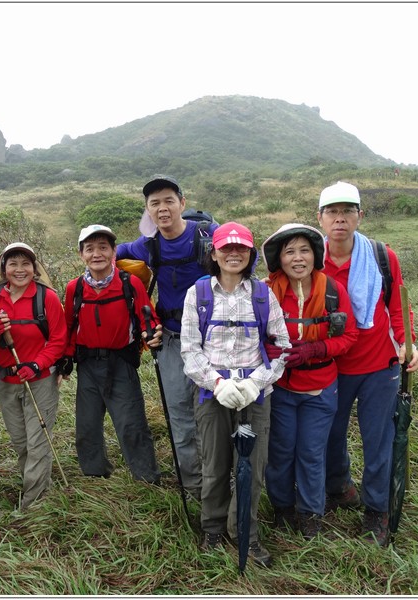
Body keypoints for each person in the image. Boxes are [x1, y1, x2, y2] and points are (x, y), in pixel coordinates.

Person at [316, 182, 418, 546]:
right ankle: (339, 486)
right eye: (332, 211)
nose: (340, 218)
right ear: (321, 218)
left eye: (348, 211)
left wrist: (407, 342)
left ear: (360, 215)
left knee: (379, 440)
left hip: (380, 364)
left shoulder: (380, 255)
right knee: (330, 434)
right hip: (332, 365)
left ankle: (377, 509)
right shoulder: (312, 258)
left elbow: (396, 305)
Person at [180, 221, 288, 566]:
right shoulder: (198, 293)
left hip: (255, 393)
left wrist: (256, 381)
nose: (233, 254)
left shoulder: (262, 293)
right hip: (213, 394)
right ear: (214, 253)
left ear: (250, 254)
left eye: (241, 248)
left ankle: (246, 533)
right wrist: (217, 383)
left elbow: (281, 345)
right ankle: (212, 528)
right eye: (226, 248)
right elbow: (189, 349)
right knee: (214, 465)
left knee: (252, 468)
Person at [116, 175, 217, 501]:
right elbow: (109, 254)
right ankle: (193, 486)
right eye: (154, 203)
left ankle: (220, 481)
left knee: (215, 411)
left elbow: (247, 256)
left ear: (182, 204)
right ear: (148, 210)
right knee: (180, 414)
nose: (162, 208)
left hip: (214, 337)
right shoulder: (146, 246)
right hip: (172, 339)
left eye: (168, 200)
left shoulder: (208, 235)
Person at [260, 223, 358, 540]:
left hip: (321, 389)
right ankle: (283, 508)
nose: (298, 258)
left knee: (312, 453)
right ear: (280, 258)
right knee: (281, 451)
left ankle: (310, 513)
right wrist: (265, 347)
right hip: (281, 388)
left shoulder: (332, 291)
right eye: (290, 252)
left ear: (315, 255)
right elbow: (249, 335)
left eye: (304, 250)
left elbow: (350, 335)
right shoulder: (265, 292)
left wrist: (319, 348)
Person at [63, 224, 162, 483]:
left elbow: (147, 317)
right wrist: (65, 356)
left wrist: (151, 334)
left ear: (114, 251)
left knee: (131, 423)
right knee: (87, 425)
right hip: (87, 363)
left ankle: (146, 478)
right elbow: (68, 325)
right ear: (81, 254)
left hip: (121, 362)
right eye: (90, 249)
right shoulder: (75, 288)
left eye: (103, 248)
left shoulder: (130, 283)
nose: (97, 254)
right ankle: (96, 474)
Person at [0, 242, 67, 510]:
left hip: (40, 380)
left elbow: (58, 340)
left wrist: (36, 364)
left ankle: (32, 506)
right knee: (21, 443)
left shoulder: (47, 298)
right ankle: (39, 486)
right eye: (13, 264)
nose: (20, 270)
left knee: (38, 442)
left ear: (34, 268)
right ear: (3, 269)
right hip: (6, 382)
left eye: (26, 264)